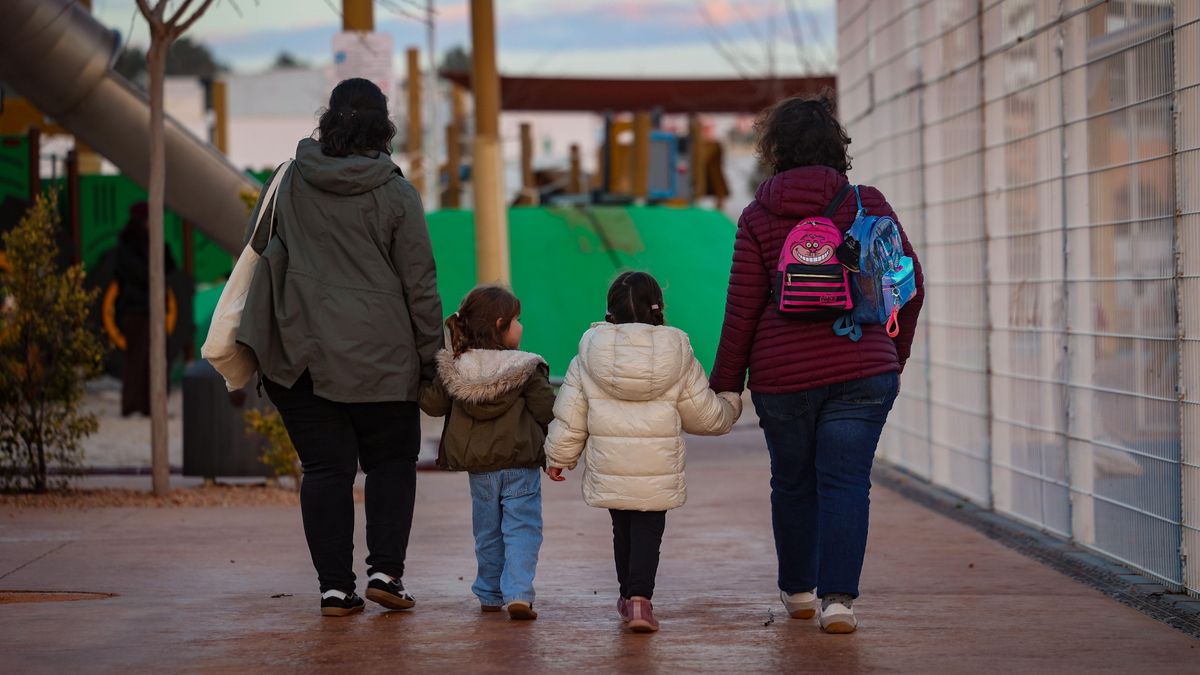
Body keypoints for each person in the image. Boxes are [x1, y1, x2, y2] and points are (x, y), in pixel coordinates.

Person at [709, 94, 925, 634]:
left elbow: (743, 309)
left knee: (793, 483)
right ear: (837, 147)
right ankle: (839, 603)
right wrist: (891, 355)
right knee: (847, 484)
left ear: (775, 151)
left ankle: (799, 591)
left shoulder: (758, 217)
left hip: (783, 378)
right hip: (862, 368)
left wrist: (726, 387)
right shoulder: (867, 201)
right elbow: (909, 283)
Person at [238, 78, 443, 617]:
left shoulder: (286, 182)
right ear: (384, 126)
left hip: (300, 357)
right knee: (392, 462)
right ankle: (386, 574)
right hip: (383, 358)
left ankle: (334, 588)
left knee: (326, 470)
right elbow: (420, 284)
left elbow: (257, 249)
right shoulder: (397, 193)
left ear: (327, 121)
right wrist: (430, 359)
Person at [544, 271, 743, 633]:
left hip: (611, 462)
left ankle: (627, 597)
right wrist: (730, 403)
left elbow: (571, 414)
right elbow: (704, 416)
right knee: (649, 529)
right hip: (657, 465)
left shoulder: (589, 351)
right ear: (658, 308)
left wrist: (559, 456)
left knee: (623, 527)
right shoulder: (677, 351)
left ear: (610, 312)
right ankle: (640, 600)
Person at [419, 285, 555, 620]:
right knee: (522, 528)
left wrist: (426, 374)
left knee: (488, 532)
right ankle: (519, 592)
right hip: (520, 466)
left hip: (480, 470)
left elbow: (434, 405)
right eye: (516, 320)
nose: (521, 326)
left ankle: (490, 593)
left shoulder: (456, 367)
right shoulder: (526, 368)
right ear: (499, 324)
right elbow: (549, 411)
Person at [113, 201, 175, 417]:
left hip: (151, 308)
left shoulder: (150, 242)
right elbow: (140, 274)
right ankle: (133, 405)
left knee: (157, 357)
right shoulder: (129, 243)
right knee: (137, 358)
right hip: (137, 309)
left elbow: (168, 267)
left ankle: (153, 405)